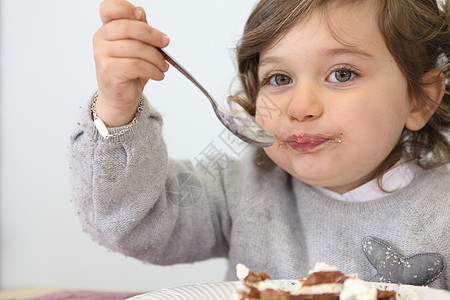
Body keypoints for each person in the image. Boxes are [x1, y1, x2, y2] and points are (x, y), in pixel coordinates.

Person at [69, 0, 450, 290]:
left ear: (419, 99)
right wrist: (118, 110)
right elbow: (130, 223)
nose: (300, 107)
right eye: (280, 78)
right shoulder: (238, 190)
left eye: (342, 74)